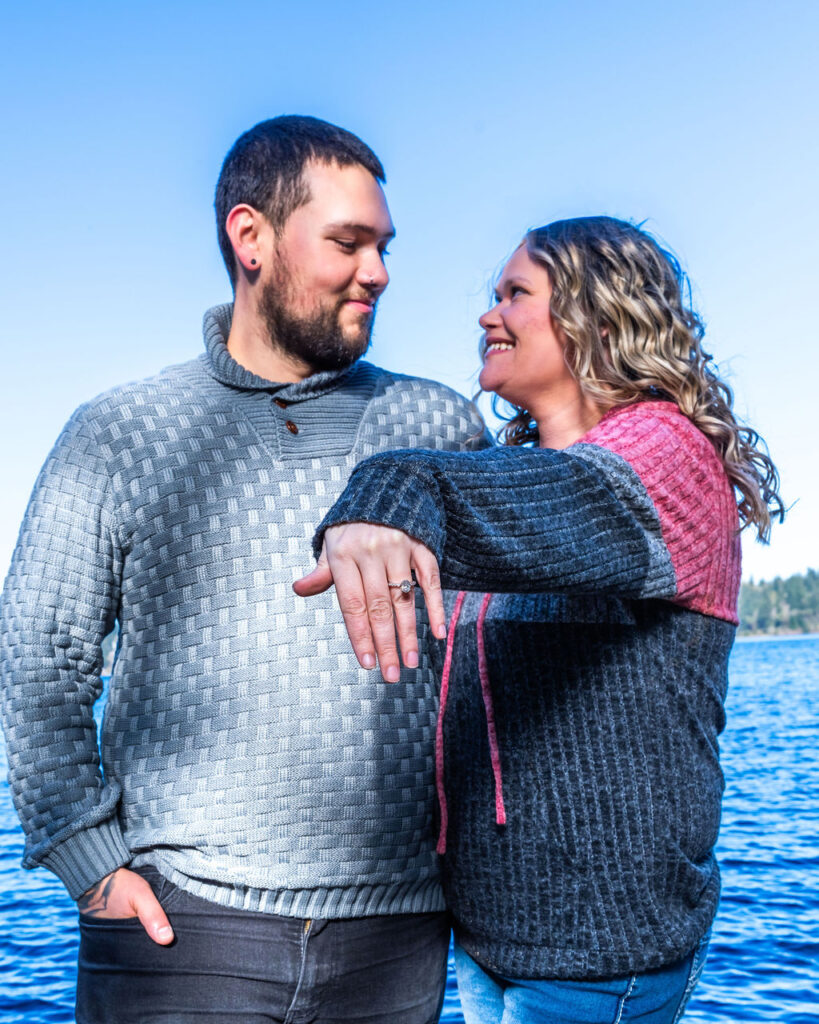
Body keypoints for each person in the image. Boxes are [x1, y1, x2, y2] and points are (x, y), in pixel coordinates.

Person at [0, 115, 488, 1024]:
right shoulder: (119, 433)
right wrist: (87, 861)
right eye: (347, 242)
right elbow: (39, 653)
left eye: (383, 246)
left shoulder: (441, 425)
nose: (376, 272)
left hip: (399, 938)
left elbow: (492, 659)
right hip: (180, 934)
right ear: (249, 236)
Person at [295, 216, 784, 1023]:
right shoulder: (511, 478)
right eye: (492, 296)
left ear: (597, 317)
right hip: (489, 946)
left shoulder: (668, 458)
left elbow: (569, 500)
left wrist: (392, 490)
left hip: (599, 957)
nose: (488, 315)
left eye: (514, 294)